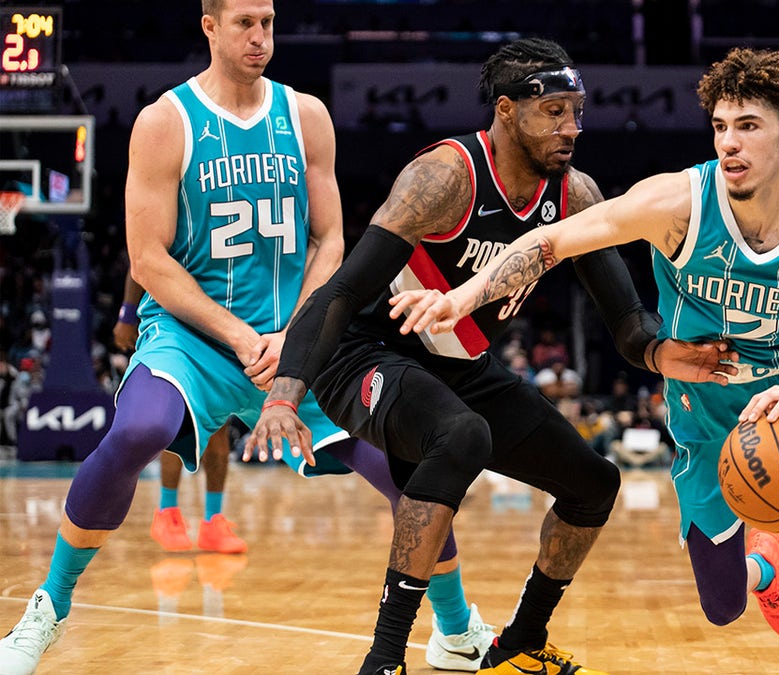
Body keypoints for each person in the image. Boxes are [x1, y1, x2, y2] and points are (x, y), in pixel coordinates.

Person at [390, 47, 779, 674]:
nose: (730, 142)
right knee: (722, 608)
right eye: (721, 126)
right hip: (709, 411)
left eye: (748, 126)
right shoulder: (678, 203)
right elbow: (552, 241)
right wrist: (464, 297)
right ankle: (763, 562)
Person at [0, 4, 491, 673]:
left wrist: (295, 332)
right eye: (244, 24)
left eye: (267, 21)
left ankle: (457, 629)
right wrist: (239, 335)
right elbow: (148, 260)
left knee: (410, 468)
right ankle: (47, 610)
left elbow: (332, 239)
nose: (260, 37)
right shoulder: (163, 122)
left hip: (299, 336)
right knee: (139, 428)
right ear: (207, 25)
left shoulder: (306, 116)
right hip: (196, 335)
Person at [246, 38, 735, 675]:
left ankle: (519, 642)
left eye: (576, 111)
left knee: (594, 484)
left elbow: (624, 314)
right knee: (462, 436)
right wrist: (286, 391)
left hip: (457, 363)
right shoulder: (446, 177)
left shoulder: (575, 194)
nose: (571, 128)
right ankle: (385, 657)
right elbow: (343, 288)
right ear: (506, 112)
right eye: (553, 112)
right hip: (365, 353)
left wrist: (661, 353)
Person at [114, 270, 246, 554]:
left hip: (223, 319)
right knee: (176, 422)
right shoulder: (174, 225)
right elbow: (140, 261)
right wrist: (127, 313)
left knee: (219, 425)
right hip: (175, 324)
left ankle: (213, 520)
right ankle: (167, 512)